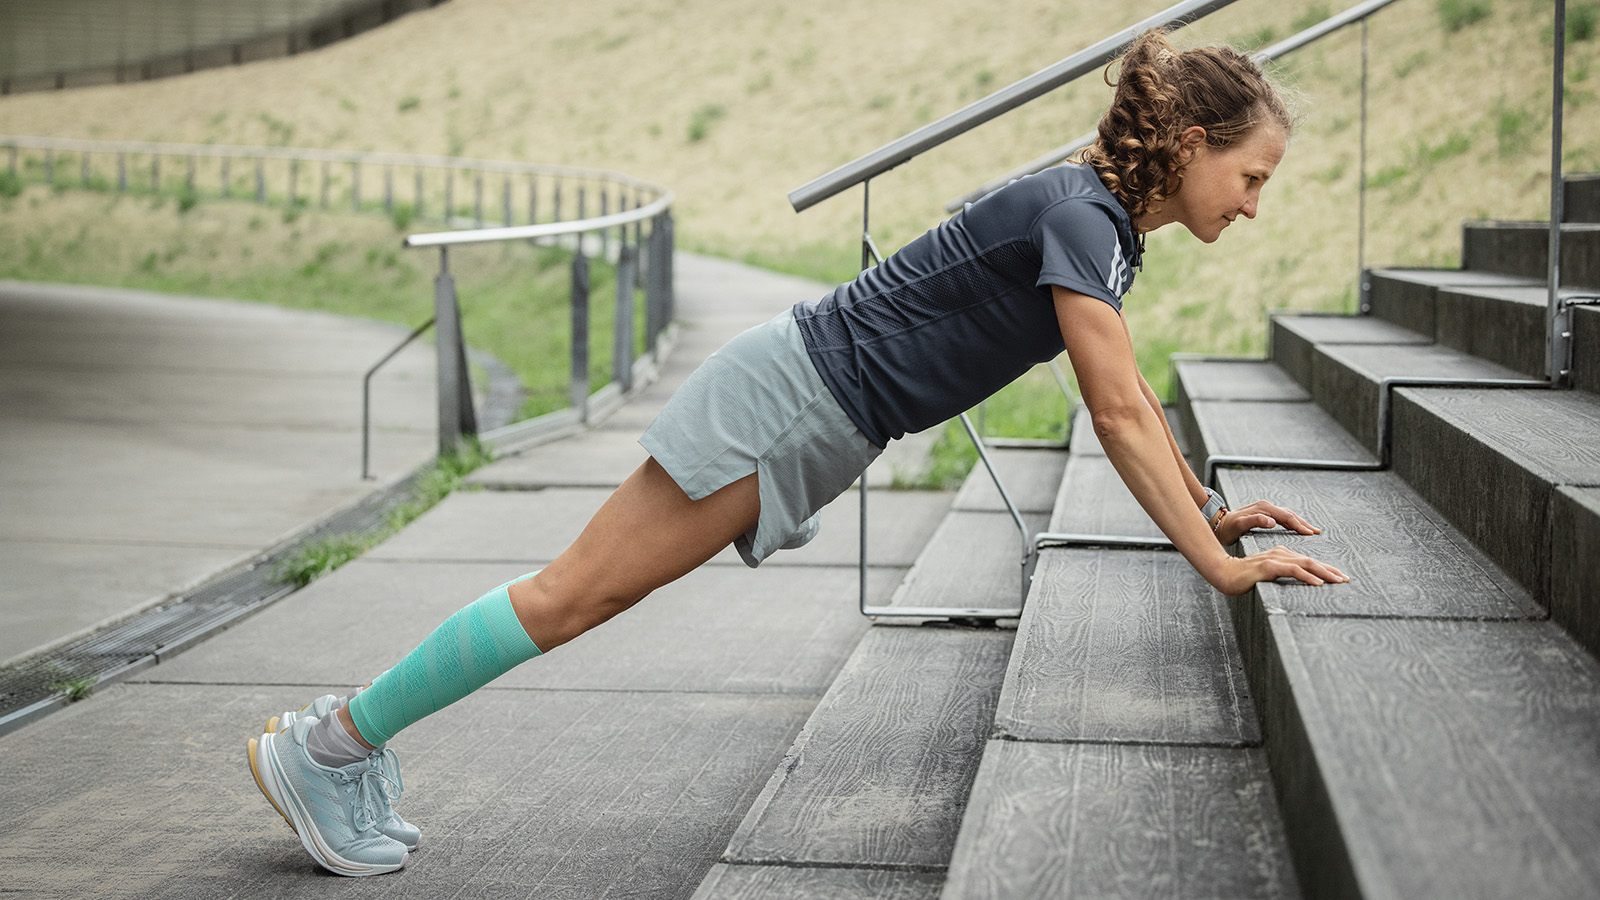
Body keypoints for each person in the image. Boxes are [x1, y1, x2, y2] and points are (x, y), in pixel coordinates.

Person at [247, 29, 1348, 877]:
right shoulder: (1083, 216)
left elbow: (1131, 395)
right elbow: (1112, 411)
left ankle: (338, 743)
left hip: (807, 402)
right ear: (1192, 146)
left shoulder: (1092, 223)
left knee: (576, 595)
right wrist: (1216, 565)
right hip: (790, 400)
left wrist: (1207, 510)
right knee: (572, 596)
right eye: (1252, 177)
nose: (1253, 205)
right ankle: (331, 747)